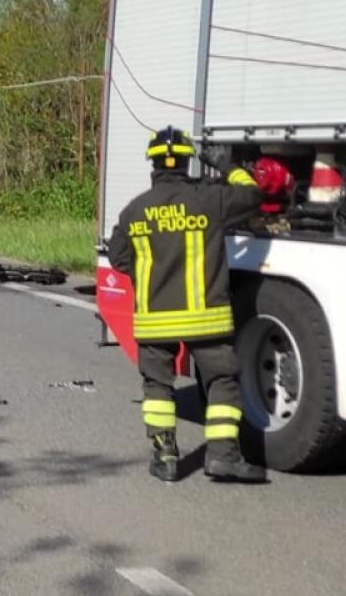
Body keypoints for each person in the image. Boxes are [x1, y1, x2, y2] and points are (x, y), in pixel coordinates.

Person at [106, 127, 267, 483]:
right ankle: (223, 456)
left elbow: (117, 258)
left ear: (153, 165)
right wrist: (228, 166)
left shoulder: (135, 210)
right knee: (222, 381)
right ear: (185, 162)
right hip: (205, 319)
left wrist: (152, 274)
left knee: (158, 387)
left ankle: (165, 457)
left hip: (154, 321)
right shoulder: (209, 200)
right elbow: (253, 195)